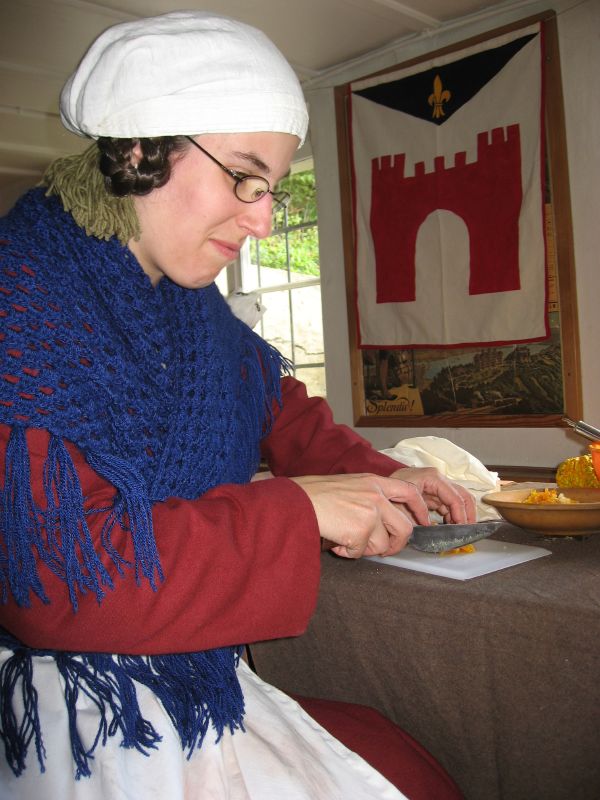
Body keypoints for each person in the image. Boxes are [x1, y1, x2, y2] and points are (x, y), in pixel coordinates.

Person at [0, 11, 475, 799]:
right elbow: (63, 586)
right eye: (243, 177)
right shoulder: (23, 306)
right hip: (80, 707)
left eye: (272, 190)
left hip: (187, 671)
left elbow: (274, 407)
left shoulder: (190, 308)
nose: (260, 219)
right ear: (140, 148)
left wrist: (385, 474)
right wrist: (298, 511)